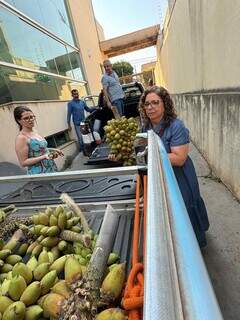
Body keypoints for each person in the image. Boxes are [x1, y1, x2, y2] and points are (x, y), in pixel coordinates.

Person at [139, 86, 209, 247]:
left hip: (179, 176)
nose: (150, 107)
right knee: (169, 209)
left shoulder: (176, 126)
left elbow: (179, 158)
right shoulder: (146, 127)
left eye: (155, 103)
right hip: (159, 174)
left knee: (185, 206)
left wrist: (148, 156)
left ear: (165, 104)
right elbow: (141, 148)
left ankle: (196, 244)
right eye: (147, 104)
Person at [14, 106, 63, 175]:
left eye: (31, 117)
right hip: (39, 173)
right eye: (26, 118)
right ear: (19, 121)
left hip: (51, 168)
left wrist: (53, 150)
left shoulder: (35, 131)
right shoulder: (21, 138)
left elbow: (40, 150)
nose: (30, 120)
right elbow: (23, 162)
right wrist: (44, 157)